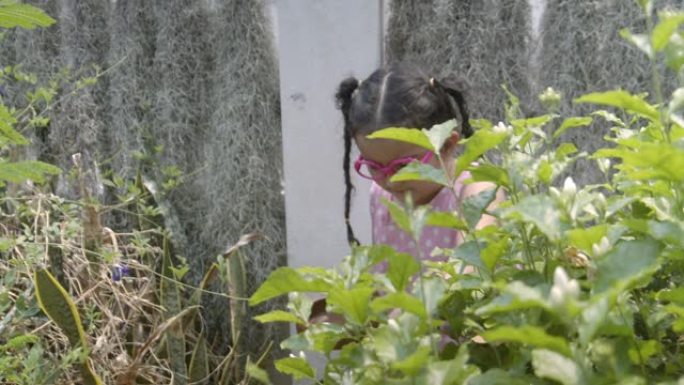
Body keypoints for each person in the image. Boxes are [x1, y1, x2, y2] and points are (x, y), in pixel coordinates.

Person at [336, 65, 499, 262]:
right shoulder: (381, 195)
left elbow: (470, 275)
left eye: (404, 166)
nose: (391, 182)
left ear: (447, 145)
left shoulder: (477, 188)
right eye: (374, 166)